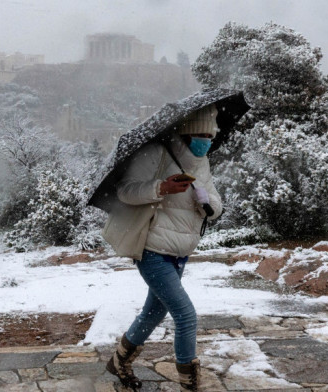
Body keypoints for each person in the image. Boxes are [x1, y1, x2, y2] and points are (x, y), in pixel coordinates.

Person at [103, 104, 222, 391]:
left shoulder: (201, 162)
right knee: (185, 314)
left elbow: (217, 206)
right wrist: (160, 188)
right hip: (152, 249)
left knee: (153, 313)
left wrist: (206, 204)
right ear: (186, 133)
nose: (205, 140)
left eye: (210, 135)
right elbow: (125, 191)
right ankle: (188, 383)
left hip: (181, 253)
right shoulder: (156, 153)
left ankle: (119, 360)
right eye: (200, 134)